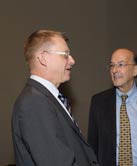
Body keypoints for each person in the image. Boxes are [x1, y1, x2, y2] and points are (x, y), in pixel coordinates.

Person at [12, 30, 98, 166]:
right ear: (43, 58)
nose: (72, 60)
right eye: (66, 55)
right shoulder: (34, 103)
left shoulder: (45, 98)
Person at [88, 48, 137, 166]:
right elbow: (92, 146)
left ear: (135, 70)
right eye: (112, 65)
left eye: (121, 65)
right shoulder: (98, 102)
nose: (114, 70)